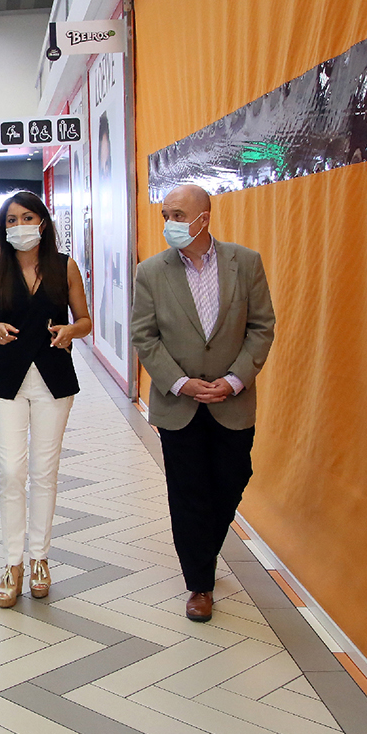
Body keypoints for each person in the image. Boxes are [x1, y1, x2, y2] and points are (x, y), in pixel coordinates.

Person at [130, 183, 275, 623]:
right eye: (165, 215)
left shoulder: (244, 263)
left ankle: (203, 550)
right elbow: (145, 336)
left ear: (203, 218)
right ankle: (200, 583)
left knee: (232, 478)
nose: (169, 224)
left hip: (232, 400)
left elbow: (261, 327)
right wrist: (180, 383)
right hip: (180, 404)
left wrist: (233, 380)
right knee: (188, 492)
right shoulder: (150, 272)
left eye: (177, 215)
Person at [0, 192, 92, 607]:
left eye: (26, 217)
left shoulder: (64, 266)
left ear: (42, 222)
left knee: (45, 470)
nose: (19, 226)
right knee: (11, 470)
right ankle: (12, 561)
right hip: (7, 379)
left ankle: (39, 557)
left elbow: (85, 320)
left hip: (54, 380)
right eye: (11, 220)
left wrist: (71, 332)